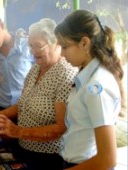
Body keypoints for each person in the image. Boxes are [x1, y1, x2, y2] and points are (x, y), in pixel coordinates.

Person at [0, 18, 78, 170]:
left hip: (49, 157)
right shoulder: (35, 69)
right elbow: (22, 104)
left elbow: (61, 127)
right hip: (25, 149)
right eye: (30, 46)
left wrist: (18, 131)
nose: (33, 51)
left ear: (56, 44)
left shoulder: (66, 74)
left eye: (38, 46)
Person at [54, 10, 124, 169]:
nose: (62, 54)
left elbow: (107, 159)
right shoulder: (85, 77)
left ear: (84, 43)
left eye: (65, 47)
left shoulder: (96, 87)